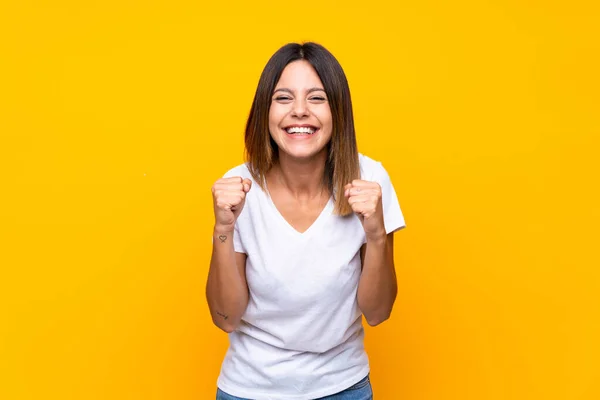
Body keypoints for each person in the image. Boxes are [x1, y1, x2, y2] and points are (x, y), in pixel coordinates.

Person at [206, 42, 406, 400]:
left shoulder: (370, 180)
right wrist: (223, 230)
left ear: (338, 111)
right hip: (248, 390)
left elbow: (378, 313)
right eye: (283, 98)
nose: (299, 112)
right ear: (265, 112)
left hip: (343, 388)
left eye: (317, 98)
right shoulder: (239, 188)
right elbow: (225, 318)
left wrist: (376, 236)